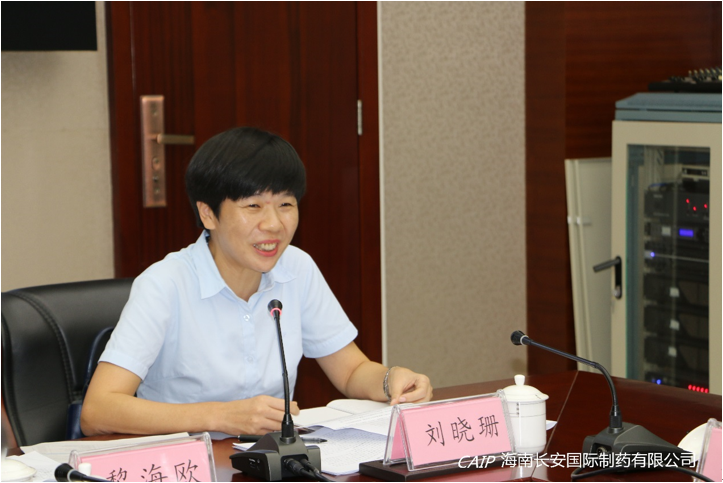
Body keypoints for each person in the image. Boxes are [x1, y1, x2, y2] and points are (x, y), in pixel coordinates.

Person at [81, 127, 432, 437]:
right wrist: (220, 416)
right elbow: (98, 411)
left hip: (266, 462)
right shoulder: (165, 284)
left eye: (286, 204)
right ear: (208, 214)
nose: (274, 224)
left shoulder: (297, 268)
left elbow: (352, 371)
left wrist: (391, 380)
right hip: (186, 466)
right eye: (253, 206)